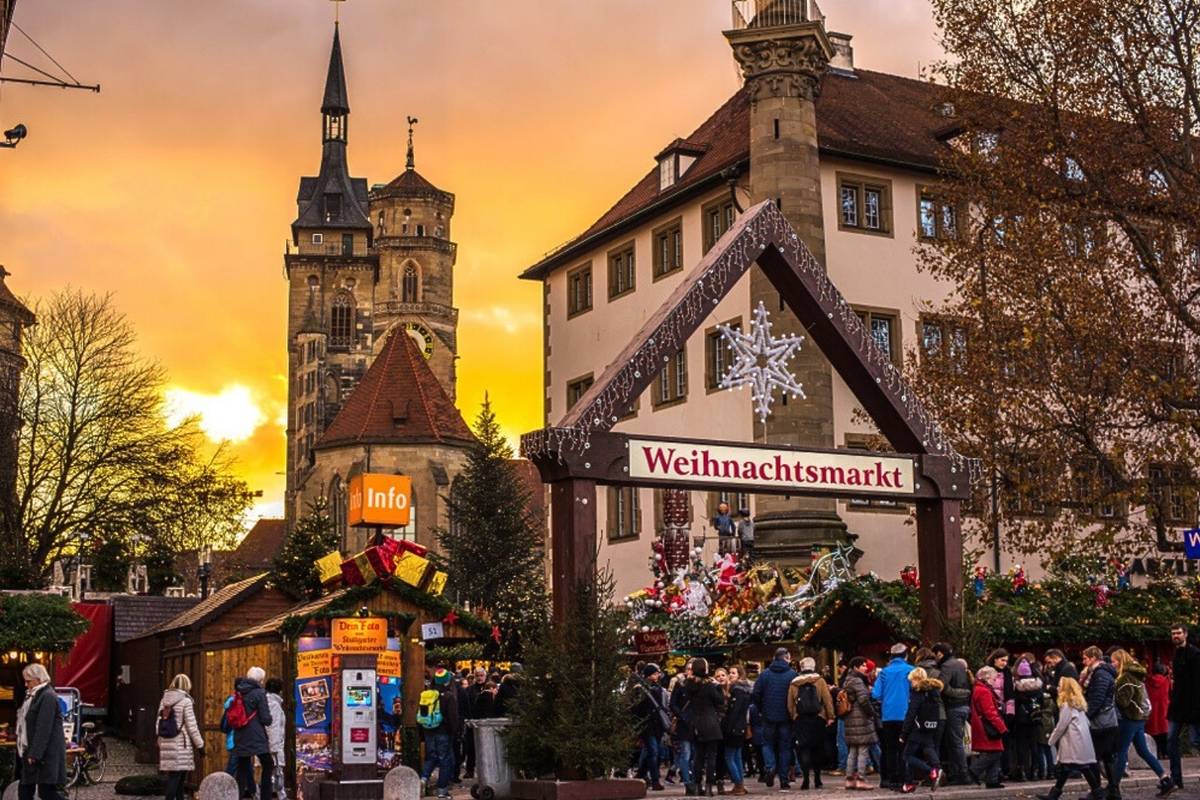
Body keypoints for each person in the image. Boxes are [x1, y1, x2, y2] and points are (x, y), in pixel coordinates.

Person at [1110, 649, 1172, 796]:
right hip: (1140, 717)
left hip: (1130, 718)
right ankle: (1165, 778)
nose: (1112, 664)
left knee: (1121, 752)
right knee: (1143, 751)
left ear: (1120, 661)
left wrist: (1114, 693)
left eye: (1114, 661)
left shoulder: (1125, 677)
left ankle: (1113, 787)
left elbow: (1123, 701)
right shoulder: (1136, 675)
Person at [1037, 677, 1104, 800]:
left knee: (1080, 767)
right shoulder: (1079, 704)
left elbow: (1062, 725)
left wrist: (1051, 740)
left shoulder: (1067, 705)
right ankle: (1055, 795)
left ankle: (1098, 794)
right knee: (1070, 768)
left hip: (1072, 741)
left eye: (1060, 685)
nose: (1058, 687)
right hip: (1081, 740)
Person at [16, 664, 67, 800]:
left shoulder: (47, 696)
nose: (26, 685)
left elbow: (44, 728)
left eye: (28, 681)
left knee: (46, 793)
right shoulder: (34, 695)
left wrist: (35, 754)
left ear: (39, 679)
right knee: (26, 789)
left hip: (45, 754)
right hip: (34, 750)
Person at [751, 647, 798, 789]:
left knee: (767, 744)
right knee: (785, 747)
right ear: (786, 658)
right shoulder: (792, 674)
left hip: (768, 715)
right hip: (786, 716)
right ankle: (784, 779)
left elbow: (756, 694)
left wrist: (761, 709)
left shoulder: (765, 675)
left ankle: (770, 767)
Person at [872, 642, 914, 789]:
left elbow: (876, 694)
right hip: (906, 715)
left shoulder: (884, 672)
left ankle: (888, 779)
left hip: (888, 716)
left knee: (889, 749)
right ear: (906, 655)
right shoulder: (911, 670)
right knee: (904, 748)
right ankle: (903, 778)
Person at [787, 657, 834, 790]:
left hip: (801, 720)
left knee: (803, 749)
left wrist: (794, 717)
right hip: (817, 719)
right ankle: (818, 779)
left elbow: (790, 704)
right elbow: (827, 700)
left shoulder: (794, 683)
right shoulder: (820, 681)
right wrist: (830, 716)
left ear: (801, 667)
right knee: (817, 748)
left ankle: (806, 779)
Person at [157, 674, 205, 800]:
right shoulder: (186, 701)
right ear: (186, 685)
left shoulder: (164, 700)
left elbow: (158, 724)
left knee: (178, 777)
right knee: (176, 777)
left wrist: (161, 740)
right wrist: (200, 745)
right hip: (180, 743)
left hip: (166, 742)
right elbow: (191, 726)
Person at [1080, 646, 1119, 799]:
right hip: (1108, 721)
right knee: (1108, 758)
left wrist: (1086, 716)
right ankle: (1113, 791)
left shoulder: (1100, 674)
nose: (1083, 661)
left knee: (1093, 758)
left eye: (1085, 658)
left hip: (1101, 723)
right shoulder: (1101, 672)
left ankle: (1097, 791)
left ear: (1093, 657)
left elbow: (1097, 699)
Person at [231, 666, 274, 800]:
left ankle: (238, 796)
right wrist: (270, 718)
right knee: (268, 764)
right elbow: (266, 719)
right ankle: (265, 797)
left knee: (242, 768)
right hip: (256, 736)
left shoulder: (239, 691)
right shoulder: (259, 693)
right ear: (260, 680)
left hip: (240, 734)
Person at [1166, 624, 1200, 793]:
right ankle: (1176, 778)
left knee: (1196, 741)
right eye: (1173, 633)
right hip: (1177, 705)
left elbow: (1197, 683)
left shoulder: (1195, 654)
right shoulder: (1176, 653)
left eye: (1178, 633)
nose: (1176, 636)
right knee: (1171, 739)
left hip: (1193, 705)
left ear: (1185, 634)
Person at [686, 658, 727, 797]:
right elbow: (720, 701)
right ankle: (709, 786)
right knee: (711, 757)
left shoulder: (689, 685)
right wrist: (719, 687)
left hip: (696, 724)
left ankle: (697, 785)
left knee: (698, 756)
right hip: (710, 723)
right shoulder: (710, 686)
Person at [932, 643, 971, 785]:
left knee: (955, 743)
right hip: (963, 706)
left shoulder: (947, 666)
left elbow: (941, 686)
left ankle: (962, 774)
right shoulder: (959, 664)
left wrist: (952, 691)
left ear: (940, 654)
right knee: (956, 742)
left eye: (936, 654)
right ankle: (958, 773)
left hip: (953, 706)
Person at [900, 667, 943, 794]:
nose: (911, 683)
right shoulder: (933, 691)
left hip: (917, 729)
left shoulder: (917, 692)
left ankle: (931, 771)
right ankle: (937, 768)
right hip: (930, 726)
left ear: (917, 679)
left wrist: (904, 733)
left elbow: (911, 714)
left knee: (907, 755)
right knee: (929, 748)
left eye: (912, 680)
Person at [420, 668, 460, 799]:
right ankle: (442, 790)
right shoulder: (449, 696)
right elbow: (453, 717)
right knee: (445, 760)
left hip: (428, 730)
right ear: (447, 681)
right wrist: (455, 733)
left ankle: (423, 779)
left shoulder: (426, 694)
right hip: (443, 732)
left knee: (430, 757)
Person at [840, 657, 879, 791]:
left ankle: (849, 779)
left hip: (850, 719)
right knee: (863, 750)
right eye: (862, 665)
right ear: (856, 667)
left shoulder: (848, 679)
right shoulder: (857, 680)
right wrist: (871, 713)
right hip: (861, 718)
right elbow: (863, 700)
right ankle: (861, 779)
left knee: (853, 750)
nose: (865, 668)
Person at [968, 665, 1008, 789]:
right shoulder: (984, 691)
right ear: (987, 677)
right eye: (993, 678)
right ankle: (974, 771)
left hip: (983, 725)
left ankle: (992, 780)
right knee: (995, 752)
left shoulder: (979, 689)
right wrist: (1002, 727)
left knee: (994, 751)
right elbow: (990, 712)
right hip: (988, 727)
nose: (995, 681)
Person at [632, 663, 669, 791]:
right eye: (655, 673)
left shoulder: (657, 688)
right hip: (647, 726)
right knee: (653, 752)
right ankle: (655, 781)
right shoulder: (640, 688)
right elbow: (636, 709)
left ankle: (640, 775)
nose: (658, 675)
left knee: (654, 753)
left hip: (656, 725)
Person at [1011, 654, 1045, 783]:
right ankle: (1035, 771)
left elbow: (1016, 703)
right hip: (1034, 718)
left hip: (1021, 719)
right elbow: (1039, 701)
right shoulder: (1037, 685)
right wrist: (1034, 708)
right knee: (1034, 745)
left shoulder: (1017, 687)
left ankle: (1022, 771)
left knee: (1021, 745)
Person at [722, 665, 752, 796]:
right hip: (741, 727)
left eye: (733, 673)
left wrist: (728, 727)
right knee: (737, 756)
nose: (730, 675)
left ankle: (738, 783)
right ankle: (740, 784)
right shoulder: (745, 690)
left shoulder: (737, 690)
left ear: (740, 675)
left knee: (729, 756)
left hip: (734, 727)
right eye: (730, 672)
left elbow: (734, 712)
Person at [670, 661, 697, 792]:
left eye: (693, 669)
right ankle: (687, 782)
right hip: (684, 724)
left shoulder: (700, 685)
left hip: (697, 725)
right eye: (689, 669)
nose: (691, 671)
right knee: (685, 754)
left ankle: (693, 779)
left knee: (694, 755)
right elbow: (672, 703)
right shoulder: (680, 685)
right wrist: (681, 715)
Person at [463, 667, 488, 779]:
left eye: (481, 675)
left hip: (486, 722)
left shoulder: (489, 687)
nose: (479, 678)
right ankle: (470, 770)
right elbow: (466, 705)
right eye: (477, 675)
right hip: (472, 721)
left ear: (485, 676)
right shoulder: (469, 690)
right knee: (471, 747)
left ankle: (486, 770)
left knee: (486, 748)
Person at [265, 677, 287, 800]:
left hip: (266, 745)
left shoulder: (266, 702)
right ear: (279, 691)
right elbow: (273, 727)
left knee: (267, 773)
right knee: (275, 773)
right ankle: (281, 796)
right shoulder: (274, 705)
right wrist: (274, 748)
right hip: (273, 746)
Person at [1145, 662, 1171, 760]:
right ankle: (1165, 753)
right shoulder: (1166, 681)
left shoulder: (1147, 682)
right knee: (1164, 734)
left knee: (1153, 735)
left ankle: (1156, 753)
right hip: (1164, 709)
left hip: (1152, 711)